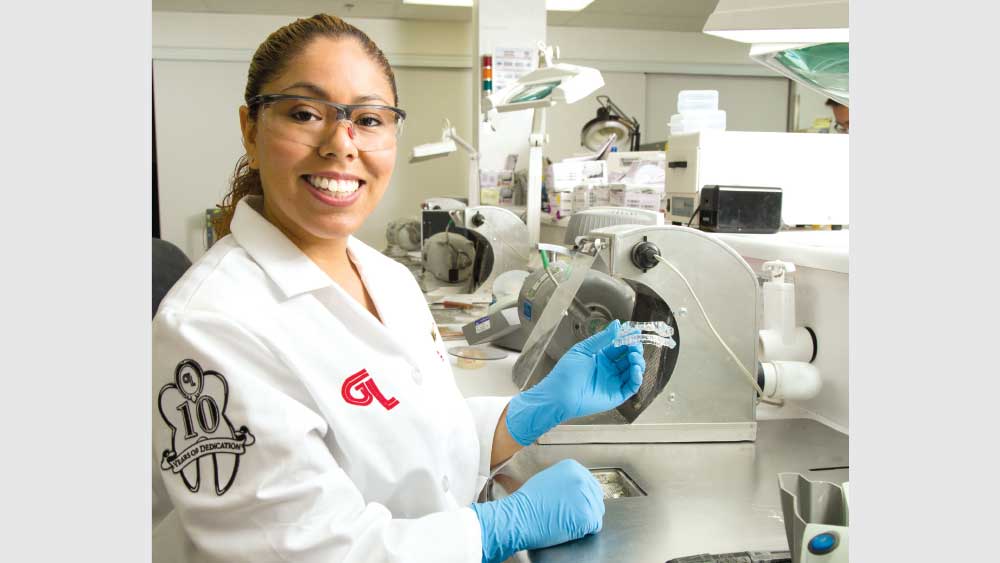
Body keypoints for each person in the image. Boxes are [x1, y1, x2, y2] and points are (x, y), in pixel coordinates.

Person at [152, 13, 646, 563]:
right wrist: (498, 528)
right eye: (305, 113)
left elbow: (426, 449)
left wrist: (534, 410)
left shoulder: (388, 277)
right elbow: (304, 550)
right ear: (251, 128)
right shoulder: (210, 325)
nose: (341, 144)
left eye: (368, 119)